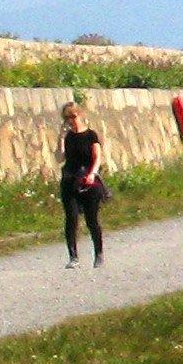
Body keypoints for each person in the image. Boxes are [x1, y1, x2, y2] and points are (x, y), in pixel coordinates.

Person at [59, 100, 108, 267]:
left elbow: (97, 157)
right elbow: (59, 158)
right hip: (70, 180)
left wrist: (92, 174)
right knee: (71, 218)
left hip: (89, 180)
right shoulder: (67, 137)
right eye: (67, 118)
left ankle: (99, 254)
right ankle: (73, 257)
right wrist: (61, 137)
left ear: (80, 115)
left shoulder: (90, 135)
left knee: (91, 220)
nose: (71, 120)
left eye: (73, 116)